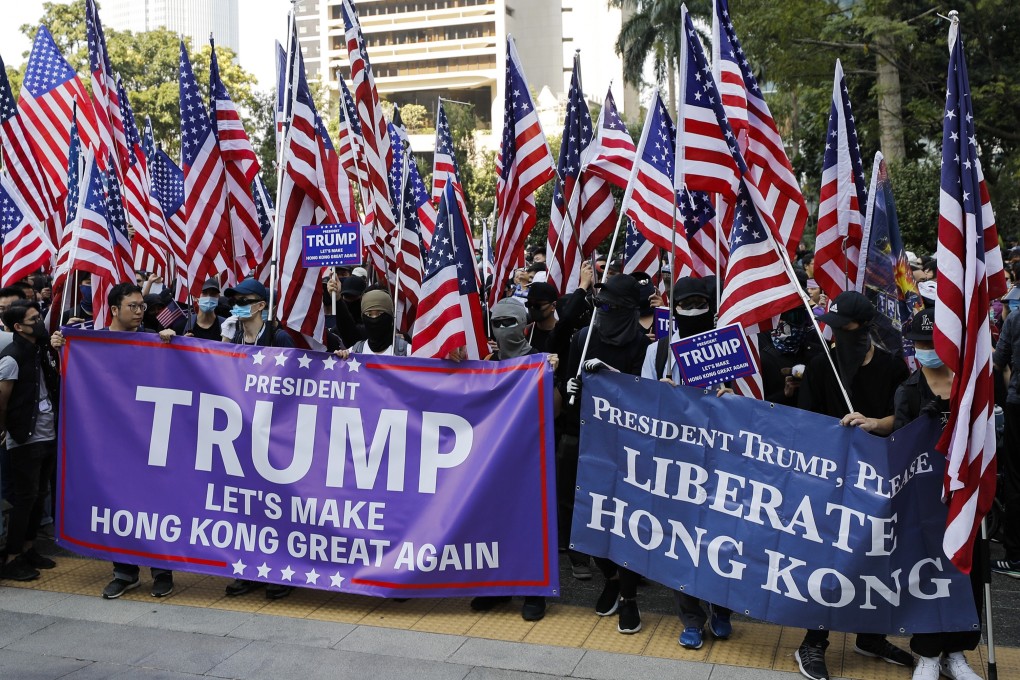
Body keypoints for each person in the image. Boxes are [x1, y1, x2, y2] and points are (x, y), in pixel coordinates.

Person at [794, 290, 912, 680]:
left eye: (846, 328)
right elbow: (803, 424)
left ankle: (871, 636)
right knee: (830, 561)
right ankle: (813, 642)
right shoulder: (819, 367)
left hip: (878, 482)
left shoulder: (893, 369)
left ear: (864, 328)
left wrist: (874, 424)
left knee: (877, 558)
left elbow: (905, 420)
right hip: (829, 482)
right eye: (833, 328)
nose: (837, 335)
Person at [52, 283, 177, 598]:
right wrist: (60, 349)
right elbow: (72, 381)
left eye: (142, 307)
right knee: (118, 506)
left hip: (149, 441)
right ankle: (125, 572)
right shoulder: (91, 343)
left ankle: (162, 571)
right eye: (133, 306)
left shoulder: (153, 338)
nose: (139, 312)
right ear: (114, 309)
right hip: (110, 444)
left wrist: (173, 346)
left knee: (154, 506)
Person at [639, 277, 731, 649]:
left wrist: (732, 396)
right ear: (673, 307)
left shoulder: (727, 348)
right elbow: (642, 404)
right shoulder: (657, 352)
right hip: (675, 465)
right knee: (681, 542)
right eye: (685, 303)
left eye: (700, 303)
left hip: (721, 463)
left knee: (722, 540)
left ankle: (722, 608)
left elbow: (758, 406)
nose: (692, 310)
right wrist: (660, 394)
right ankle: (691, 617)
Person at [894, 308, 983, 680]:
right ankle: (928, 653)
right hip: (924, 503)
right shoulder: (908, 390)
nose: (927, 349)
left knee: (966, 570)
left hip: (965, 500)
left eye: (933, 343)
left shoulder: (971, 386)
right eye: (920, 343)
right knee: (927, 572)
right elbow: (900, 445)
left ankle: (957, 652)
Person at [563, 274, 652, 634]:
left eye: (612, 307)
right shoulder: (584, 339)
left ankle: (630, 598)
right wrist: (568, 384)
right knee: (586, 514)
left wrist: (615, 380)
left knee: (623, 520)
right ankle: (611, 577)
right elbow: (568, 388)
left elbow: (643, 400)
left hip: (624, 446)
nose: (604, 312)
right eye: (600, 305)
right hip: (586, 440)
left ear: (629, 311)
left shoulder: (641, 347)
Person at [470, 299, 558, 622]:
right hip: (493, 459)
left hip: (530, 458)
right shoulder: (486, 363)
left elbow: (556, 409)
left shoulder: (539, 359)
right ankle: (498, 586)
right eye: (498, 322)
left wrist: (551, 376)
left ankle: (533, 593)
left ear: (523, 325)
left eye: (511, 322)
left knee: (529, 523)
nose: (504, 329)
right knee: (495, 522)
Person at [0, 300, 60, 581]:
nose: (40, 322)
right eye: (34, 319)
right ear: (18, 327)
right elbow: (3, 398)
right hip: (25, 438)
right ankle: (11, 558)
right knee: (25, 498)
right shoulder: (12, 357)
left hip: (48, 433)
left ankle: (28, 548)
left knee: (39, 496)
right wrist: (6, 429)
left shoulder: (41, 350)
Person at [992, 286, 1020, 579]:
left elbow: (998, 361)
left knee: (1015, 478)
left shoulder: (1015, 319)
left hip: (1017, 405)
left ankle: (1014, 557)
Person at [222, 278, 294, 348]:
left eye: (243, 300)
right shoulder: (236, 338)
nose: (236, 305)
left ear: (261, 305)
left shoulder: (279, 338)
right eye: (233, 301)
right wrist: (226, 340)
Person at [334, 290, 409, 357]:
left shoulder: (408, 352)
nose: (374, 318)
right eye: (369, 314)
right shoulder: (355, 352)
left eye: (380, 314)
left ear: (390, 316)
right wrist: (340, 359)